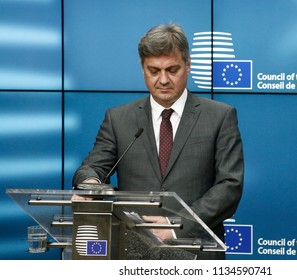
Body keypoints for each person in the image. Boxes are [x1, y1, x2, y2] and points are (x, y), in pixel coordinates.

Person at [72, 23, 244, 259]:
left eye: (172, 70)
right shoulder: (119, 118)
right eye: (154, 71)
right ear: (142, 69)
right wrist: (90, 182)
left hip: (196, 251)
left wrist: (176, 224)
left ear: (188, 65)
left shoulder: (220, 116)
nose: (163, 80)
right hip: (133, 252)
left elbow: (229, 186)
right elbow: (93, 166)